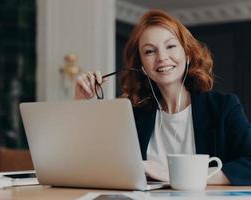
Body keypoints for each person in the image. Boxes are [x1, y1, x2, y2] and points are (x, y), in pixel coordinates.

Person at [74, 9, 251, 185]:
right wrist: (81, 106)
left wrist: (182, 176)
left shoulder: (223, 107)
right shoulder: (130, 114)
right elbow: (92, 163)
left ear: (187, 53)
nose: (162, 57)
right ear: (141, 65)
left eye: (171, 46)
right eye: (150, 51)